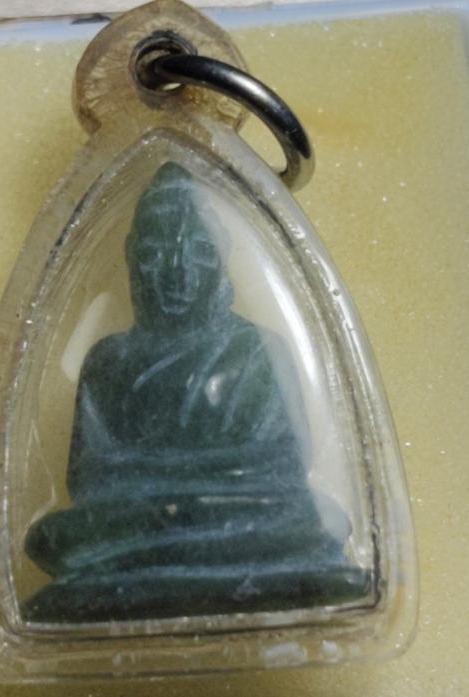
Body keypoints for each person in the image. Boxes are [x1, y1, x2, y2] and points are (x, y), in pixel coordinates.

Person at [23, 162, 368, 623]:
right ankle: (254, 579)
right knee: (49, 538)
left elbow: (287, 464)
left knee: (318, 518)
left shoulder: (256, 349)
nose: (176, 272)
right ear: (132, 259)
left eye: (198, 252)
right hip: (140, 518)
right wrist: (166, 495)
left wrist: (182, 492)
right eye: (155, 253)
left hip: (243, 509)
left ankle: (136, 584)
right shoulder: (108, 359)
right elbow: (87, 479)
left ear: (222, 258)